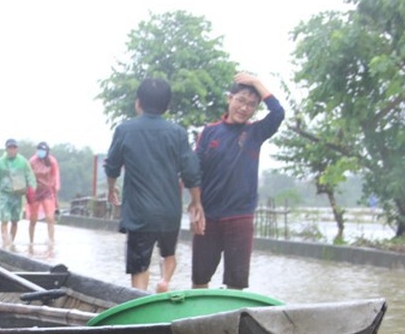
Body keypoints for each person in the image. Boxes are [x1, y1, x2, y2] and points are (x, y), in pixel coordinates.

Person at [104, 77, 203, 292]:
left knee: (139, 266)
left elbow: (112, 166)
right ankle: (164, 281)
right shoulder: (178, 133)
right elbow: (191, 172)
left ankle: (140, 296)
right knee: (168, 254)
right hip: (169, 212)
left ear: (138, 103)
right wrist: (196, 202)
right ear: (167, 106)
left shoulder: (125, 130)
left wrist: (111, 188)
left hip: (139, 214)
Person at [192, 72, 285, 290]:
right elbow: (195, 170)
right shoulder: (210, 132)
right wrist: (195, 205)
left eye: (251, 105)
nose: (244, 108)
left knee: (236, 283)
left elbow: (278, 113)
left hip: (240, 216)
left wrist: (256, 82)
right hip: (208, 216)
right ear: (229, 98)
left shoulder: (255, 133)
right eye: (240, 100)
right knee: (199, 278)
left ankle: (232, 314)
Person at [0, 138, 36, 247]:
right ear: (6, 149)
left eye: (14, 148)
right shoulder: (0, 162)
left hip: (18, 195)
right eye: (10, 148)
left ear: (17, 149)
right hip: (4, 194)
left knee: (15, 220)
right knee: (4, 219)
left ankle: (11, 242)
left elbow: (30, 176)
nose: (12, 150)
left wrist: (32, 190)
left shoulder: (23, 162)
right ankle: (5, 242)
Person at [26, 141, 61, 246]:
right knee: (33, 219)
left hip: (47, 191)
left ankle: (51, 240)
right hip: (35, 191)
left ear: (47, 151)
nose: (41, 152)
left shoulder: (52, 161)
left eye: (43, 150)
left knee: (50, 218)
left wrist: (56, 189)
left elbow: (56, 176)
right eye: (39, 150)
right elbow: (27, 176)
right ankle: (31, 242)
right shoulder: (32, 161)